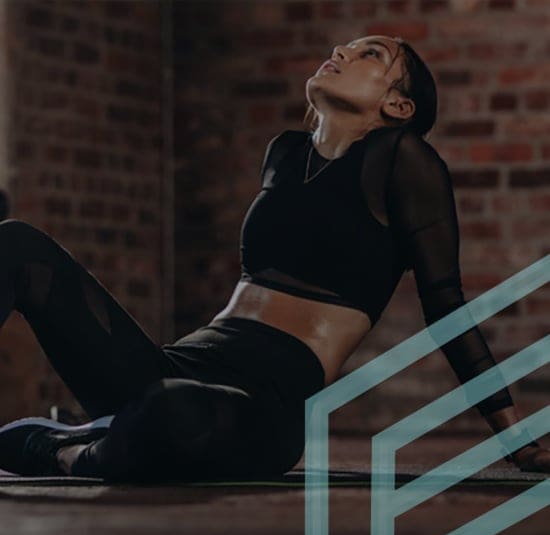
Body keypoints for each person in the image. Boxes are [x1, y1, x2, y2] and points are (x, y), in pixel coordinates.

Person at [0, 35, 547, 482]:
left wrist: (515, 439)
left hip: (262, 400)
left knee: (174, 415)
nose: (343, 52)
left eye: (370, 55)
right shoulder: (284, 154)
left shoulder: (405, 160)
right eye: (347, 46)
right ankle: (110, 433)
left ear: (397, 106)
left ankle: (64, 451)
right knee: (16, 242)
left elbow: (446, 304)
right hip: (180, 363)